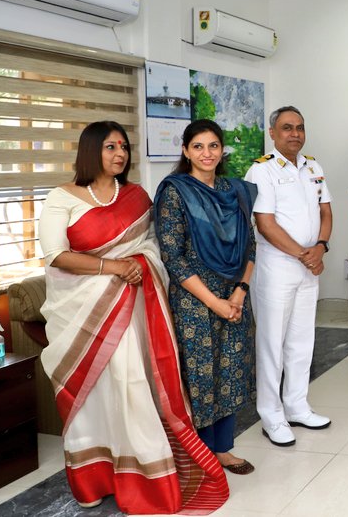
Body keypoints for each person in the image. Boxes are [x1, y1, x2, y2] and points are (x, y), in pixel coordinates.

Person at [38, 121, 228, 513]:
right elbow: (56, 255)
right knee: (95, 396)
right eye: (110, 147)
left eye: (123, 147)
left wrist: (139, 263)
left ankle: (145, 478)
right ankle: (95, 479)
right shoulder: (62, 197)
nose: (119, 154)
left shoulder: (138, 196)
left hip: (134, 311)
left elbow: (155, 247)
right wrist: (114, 267)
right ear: (91, 150)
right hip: (84, 314)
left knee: (132, 385)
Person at [154, 119, 258, 474]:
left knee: (230, 369)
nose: (207, 153)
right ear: (185, 151)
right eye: (198, 146)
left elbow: (250, 244)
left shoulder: (236, 191)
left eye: (213, 146)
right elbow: (173, 257)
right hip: (194, 300)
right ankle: (198, 452)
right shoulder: (175, 192)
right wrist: (214, 302)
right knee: (199, 375)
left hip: (235, 294)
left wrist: (240, 293)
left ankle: (224, 448)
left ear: (222, 150)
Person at [244, 106, 333, 446]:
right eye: (286, 128)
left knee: (301, 340)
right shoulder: (261, 171)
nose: (294, 133)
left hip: (310, 265)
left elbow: (326, 211)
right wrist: (304, 255)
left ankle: (296, 405)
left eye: (299, 127)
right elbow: (265, 224)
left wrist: (321, 247)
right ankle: (271, 414)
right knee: (271, 343)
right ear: (273, 133)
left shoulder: (313, 166)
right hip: (277, 267)